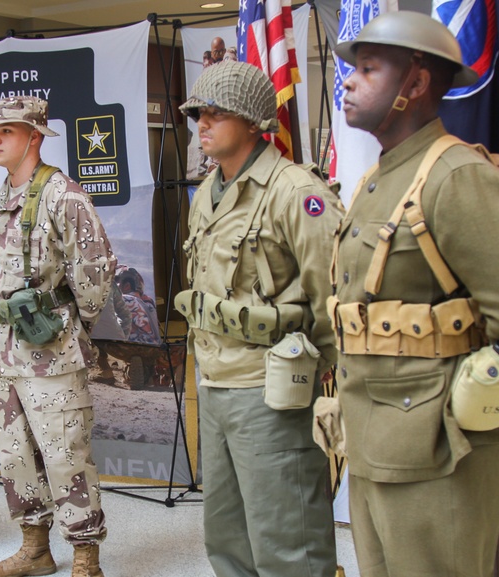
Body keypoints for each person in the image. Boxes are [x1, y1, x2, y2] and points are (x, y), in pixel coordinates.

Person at [330, 12, 499, 576]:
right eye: (353, 69)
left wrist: (496, 384)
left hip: (438, 448)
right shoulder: (376, 182)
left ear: (413, 85)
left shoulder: (456, 176)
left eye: (368, 69)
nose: (349, 80)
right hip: (370, 440)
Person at [177, 60, 341, 577]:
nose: (202, 124)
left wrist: (324, 381)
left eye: (215, 113)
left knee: (286, 535)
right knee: (226, 535)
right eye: (198, 114)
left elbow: (334, 297)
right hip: (215, 383)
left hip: (272, 389)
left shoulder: (297, 193)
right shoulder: (207, 192)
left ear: (252, 121)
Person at [0, 95, 115, 577]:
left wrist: (66, 325)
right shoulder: (2, 196)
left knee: (65, 456)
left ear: (34, 136)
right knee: (16, 456)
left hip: (51, 354)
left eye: (7, 131)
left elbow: (95, 277)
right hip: (8, 352)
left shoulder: (63, 195)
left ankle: (84, 558)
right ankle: (34, 548)